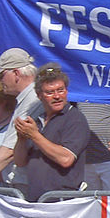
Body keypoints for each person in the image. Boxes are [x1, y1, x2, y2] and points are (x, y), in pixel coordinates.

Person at [14, 65, 91, 201]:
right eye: (49, 92)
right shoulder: (38, 121)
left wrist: (34, 135)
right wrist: (21, 138)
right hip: (36, 199)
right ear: (39, 96)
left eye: (60, 90)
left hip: (62, 201)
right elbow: (20, 162)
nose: (57, 96)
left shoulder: (75, 118)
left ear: (67, 91)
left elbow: (66, 159)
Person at [0, 48, 42, 188]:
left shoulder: (33, 99)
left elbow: (9, 150)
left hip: (28, 186)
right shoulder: (27, 98)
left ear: (16, 74)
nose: (0, 80)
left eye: (2, 75)